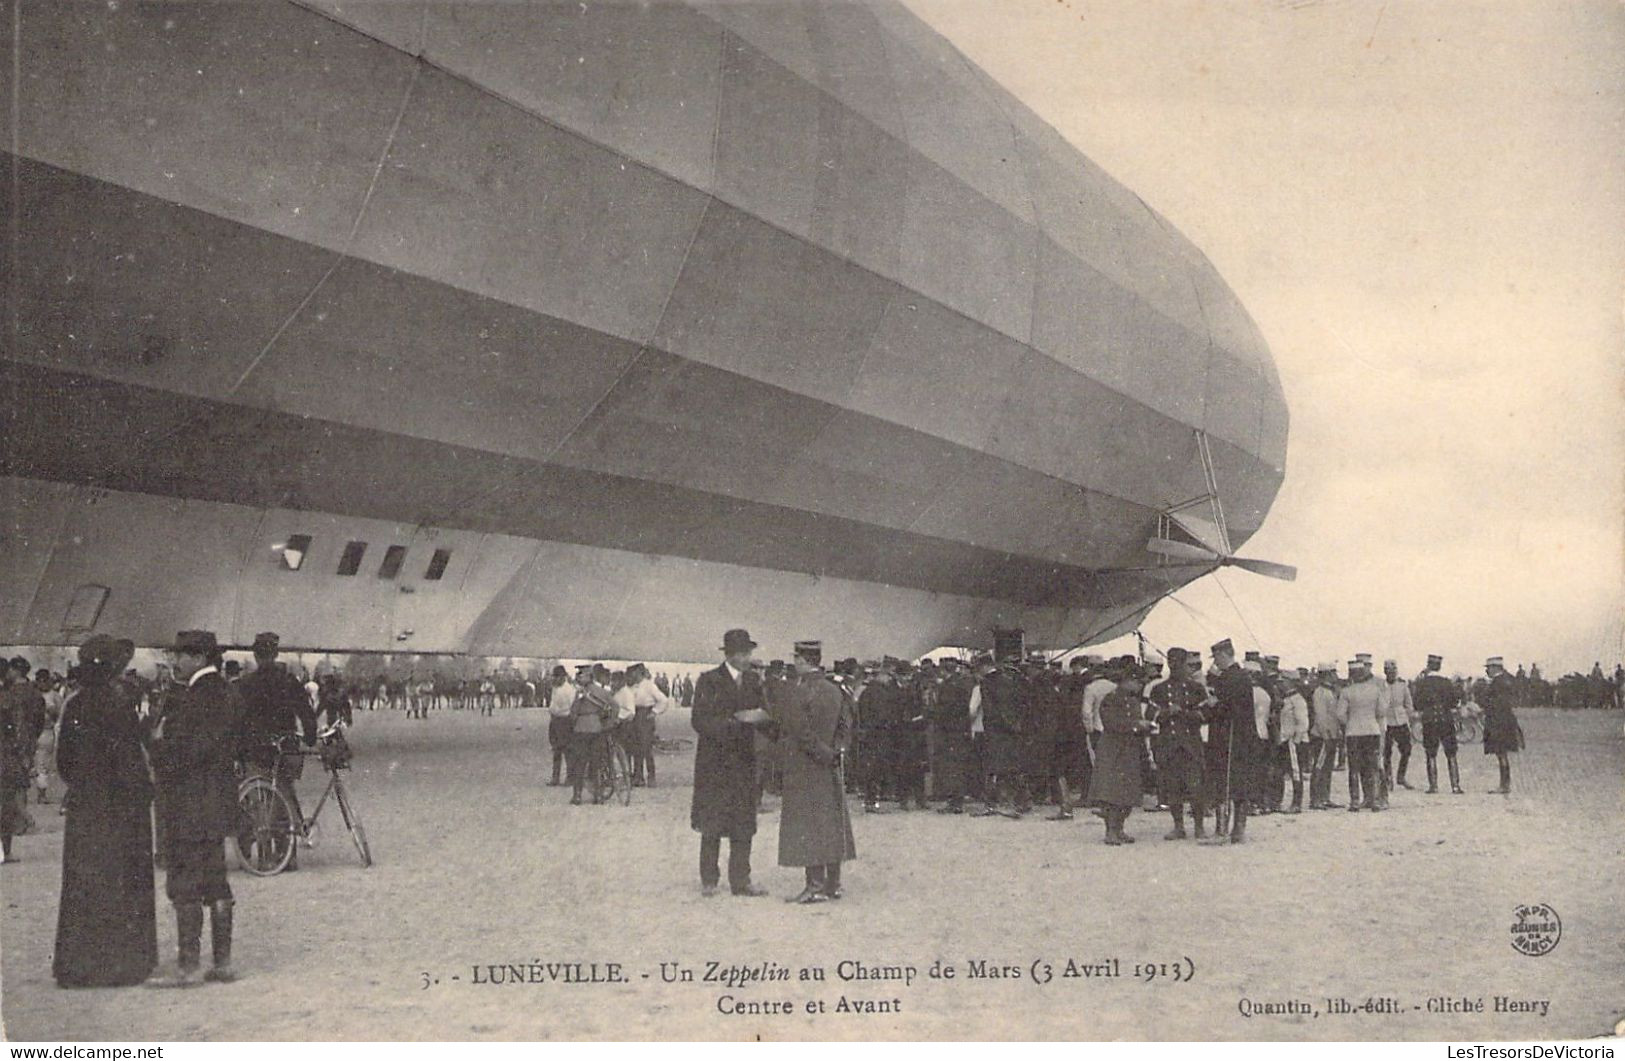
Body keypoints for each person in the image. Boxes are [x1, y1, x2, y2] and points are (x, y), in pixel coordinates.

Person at [52, 635, 159, 988]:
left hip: (86, 808)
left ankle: (77, 964)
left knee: (84, 884)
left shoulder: (75, 704)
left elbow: (64, 761)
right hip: (120, 810)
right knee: (120, 882)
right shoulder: (119, 704)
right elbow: (130, 762)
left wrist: (84, 786)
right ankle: (120, 964)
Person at [146, 631, 245, 987]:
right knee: (216, 879)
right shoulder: (227, 692)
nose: (176, 662)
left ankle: (188, 967)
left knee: (185, 881)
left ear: (200, 657)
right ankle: (223, 962)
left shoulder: (193, 698)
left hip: (188, 802)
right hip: (216, 802)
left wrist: (157, 747)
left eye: (182, 656)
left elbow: (185, 752)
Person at [690, 629, 773, 897]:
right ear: (731, 654)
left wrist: (763, 719)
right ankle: (709, 880)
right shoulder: (709, 681)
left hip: (744, 762)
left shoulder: (753, 682)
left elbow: (765, 714)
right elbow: (699, 721)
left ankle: (741, 880)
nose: (748, 658)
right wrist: (735, 722)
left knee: (743, 822)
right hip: (715, 763)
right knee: (712, 822)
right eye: (743, 653)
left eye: (749, 653)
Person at [778, 641, 856, 904]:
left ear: (802, 661)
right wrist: (836, 752)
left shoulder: (797, 691)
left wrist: (821, 752)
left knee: (808, 825)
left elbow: (800, 732)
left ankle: (814, 885)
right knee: (830, 822)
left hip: (805, 765)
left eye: (797, 658)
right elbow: (846, 725)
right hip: (830, 766)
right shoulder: (836, 690)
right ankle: (833, 884)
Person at [236, 633, 319, 870]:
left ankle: (265, 855)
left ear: (255, 655)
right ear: (275, 654)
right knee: (285, 797)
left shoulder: (246, 684)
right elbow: (306, 713)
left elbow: (238, 720)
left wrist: (238, 750)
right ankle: (288, 854)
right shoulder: (289, 681)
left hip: (256, 749)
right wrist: (310, 738)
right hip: (285, 748)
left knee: (259, 802)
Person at [1087, 664, 1156, 845]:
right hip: (1113, 749)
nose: (1140, 686)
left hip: (1130, 749)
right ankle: (1110, 831)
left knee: (1127, 793)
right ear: (1128, 681)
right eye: (1137, 682)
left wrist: (1144, 727)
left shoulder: (1132, 700)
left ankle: (1120, 829)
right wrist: (1136, 725)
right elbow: (1111, 723)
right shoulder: (1111, 699)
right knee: (1111, 793)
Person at [1205, 639, 1264, 842]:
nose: (1216, 663)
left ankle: (1224, 828)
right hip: (1240, 736)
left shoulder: (1230, 678)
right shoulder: (1241, 677)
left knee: (1225, 781)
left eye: (1217, 658)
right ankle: (1237, 828)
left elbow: (1229, 709)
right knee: (1237, 781)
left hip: (1229, 736)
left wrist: (1213, 705)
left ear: (1223, 655)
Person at [1150, 648, 1207, 839]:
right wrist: (1166, 713)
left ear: (1185, 664)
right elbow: (1151, 715)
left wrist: (1181, 712)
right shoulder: (1158, 689)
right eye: (1171, 662)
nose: (1174, 666)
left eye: (1178, 662)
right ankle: (1178, 826)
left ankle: (1199, 826)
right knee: (1172, 787)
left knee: (1195, 787)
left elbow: (1204, 715)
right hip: (1169, 745)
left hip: (1190, 745)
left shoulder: (1196, 689)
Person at [1339, 658, 1386, 811]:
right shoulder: (1375, 690)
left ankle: (1355, 800)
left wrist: (1350, 722)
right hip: (1372, 731)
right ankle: (1376, 800)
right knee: (1373, 766)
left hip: (1353, 732)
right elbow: (1381, 711)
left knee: (1354, 767)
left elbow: (1340, 714)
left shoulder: (1346, 691)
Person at [1413, 655, 1464, 794]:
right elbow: (1454, 701)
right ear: (1439, 666)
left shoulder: (1422, 683)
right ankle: (1455, 786)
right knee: (1451, 753)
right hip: (1446, 720)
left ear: (1428, 665)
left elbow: (1417, 703)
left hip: (1430, 720)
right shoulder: (1446, 682)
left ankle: (1433, 786)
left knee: (1430, 753)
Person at [568, 665, 616, 806]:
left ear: (588, 677)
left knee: (580, 763)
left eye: (581, 676)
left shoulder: (580, 693)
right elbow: (615, 707)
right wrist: (609, 724)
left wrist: (574, 722)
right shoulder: (602, 692)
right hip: (597, 729)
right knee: (596, 763)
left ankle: (577, 796)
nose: (579, 678)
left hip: (581, 730)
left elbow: (573, 713)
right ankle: (598, 796)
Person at [1480, 656, 1524, 794]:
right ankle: (1505, 784)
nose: (1487, 671)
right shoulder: (1508, 679)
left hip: (1498, 722)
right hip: (1507, 720)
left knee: (1501, 753)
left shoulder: (1497, 683)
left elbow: (1494, 703)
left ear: (1495, 668)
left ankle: (1504, 785)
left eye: (1488, 668)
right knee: (1502, 753)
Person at [1308, 663, 1343, 809]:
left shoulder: (1330, 691)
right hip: (1322, 737)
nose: (1336, 675)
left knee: (1327, 767)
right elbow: (1321, 717)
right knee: (1319, 766)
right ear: (1327, 674)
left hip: (1331, 735)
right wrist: (1326, 736)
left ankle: (1325, 797)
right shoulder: (1320, 692)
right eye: (1333, 672)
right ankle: (1315, 798)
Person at [544, 666, 575, 786]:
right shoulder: (555, 689)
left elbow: (571, 707)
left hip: (565, 721)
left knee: (567, 750)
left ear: (563, 677)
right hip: (555, 720)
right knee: (556, 749)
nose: (554, 679)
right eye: (554, 677)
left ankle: (570, 777)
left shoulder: (569, 690)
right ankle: (555, 777)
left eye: (557, 677)